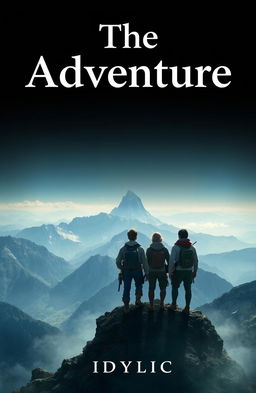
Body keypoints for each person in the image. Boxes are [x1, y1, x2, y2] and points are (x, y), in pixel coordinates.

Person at [116, 228, 148, 311]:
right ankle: (138, 300)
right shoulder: (140, 249)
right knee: (139, 285)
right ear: (136, 237)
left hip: (126, 271)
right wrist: (146, 273)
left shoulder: (123, 249)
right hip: (137, 270)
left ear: (128, 237)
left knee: (126, 287)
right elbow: (144, 262)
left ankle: (126, 305)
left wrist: (122, 268)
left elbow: (118, 261)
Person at [169, 229, 198, 314]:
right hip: (189, 271)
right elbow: (196, 261)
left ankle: (174, 304)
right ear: (187, 236)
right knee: (188, 289)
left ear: (179, 236)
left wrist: (170, 272)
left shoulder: (175, 247)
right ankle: (187, 308)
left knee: (175, 287)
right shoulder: (192, 247)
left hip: (178, 271)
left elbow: (171, 261)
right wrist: (194, 271)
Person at [146, 232, 169, 310]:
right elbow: (169, 261)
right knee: (163, 288)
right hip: (162, 271)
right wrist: (169, 271)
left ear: (152, 239)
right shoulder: (164, 249)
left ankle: (151, 305)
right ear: (160, 239)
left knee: (151, 288)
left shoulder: (149, 250)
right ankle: (162, 304)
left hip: (151, 271)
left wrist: (146, 272)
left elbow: (147, 262)